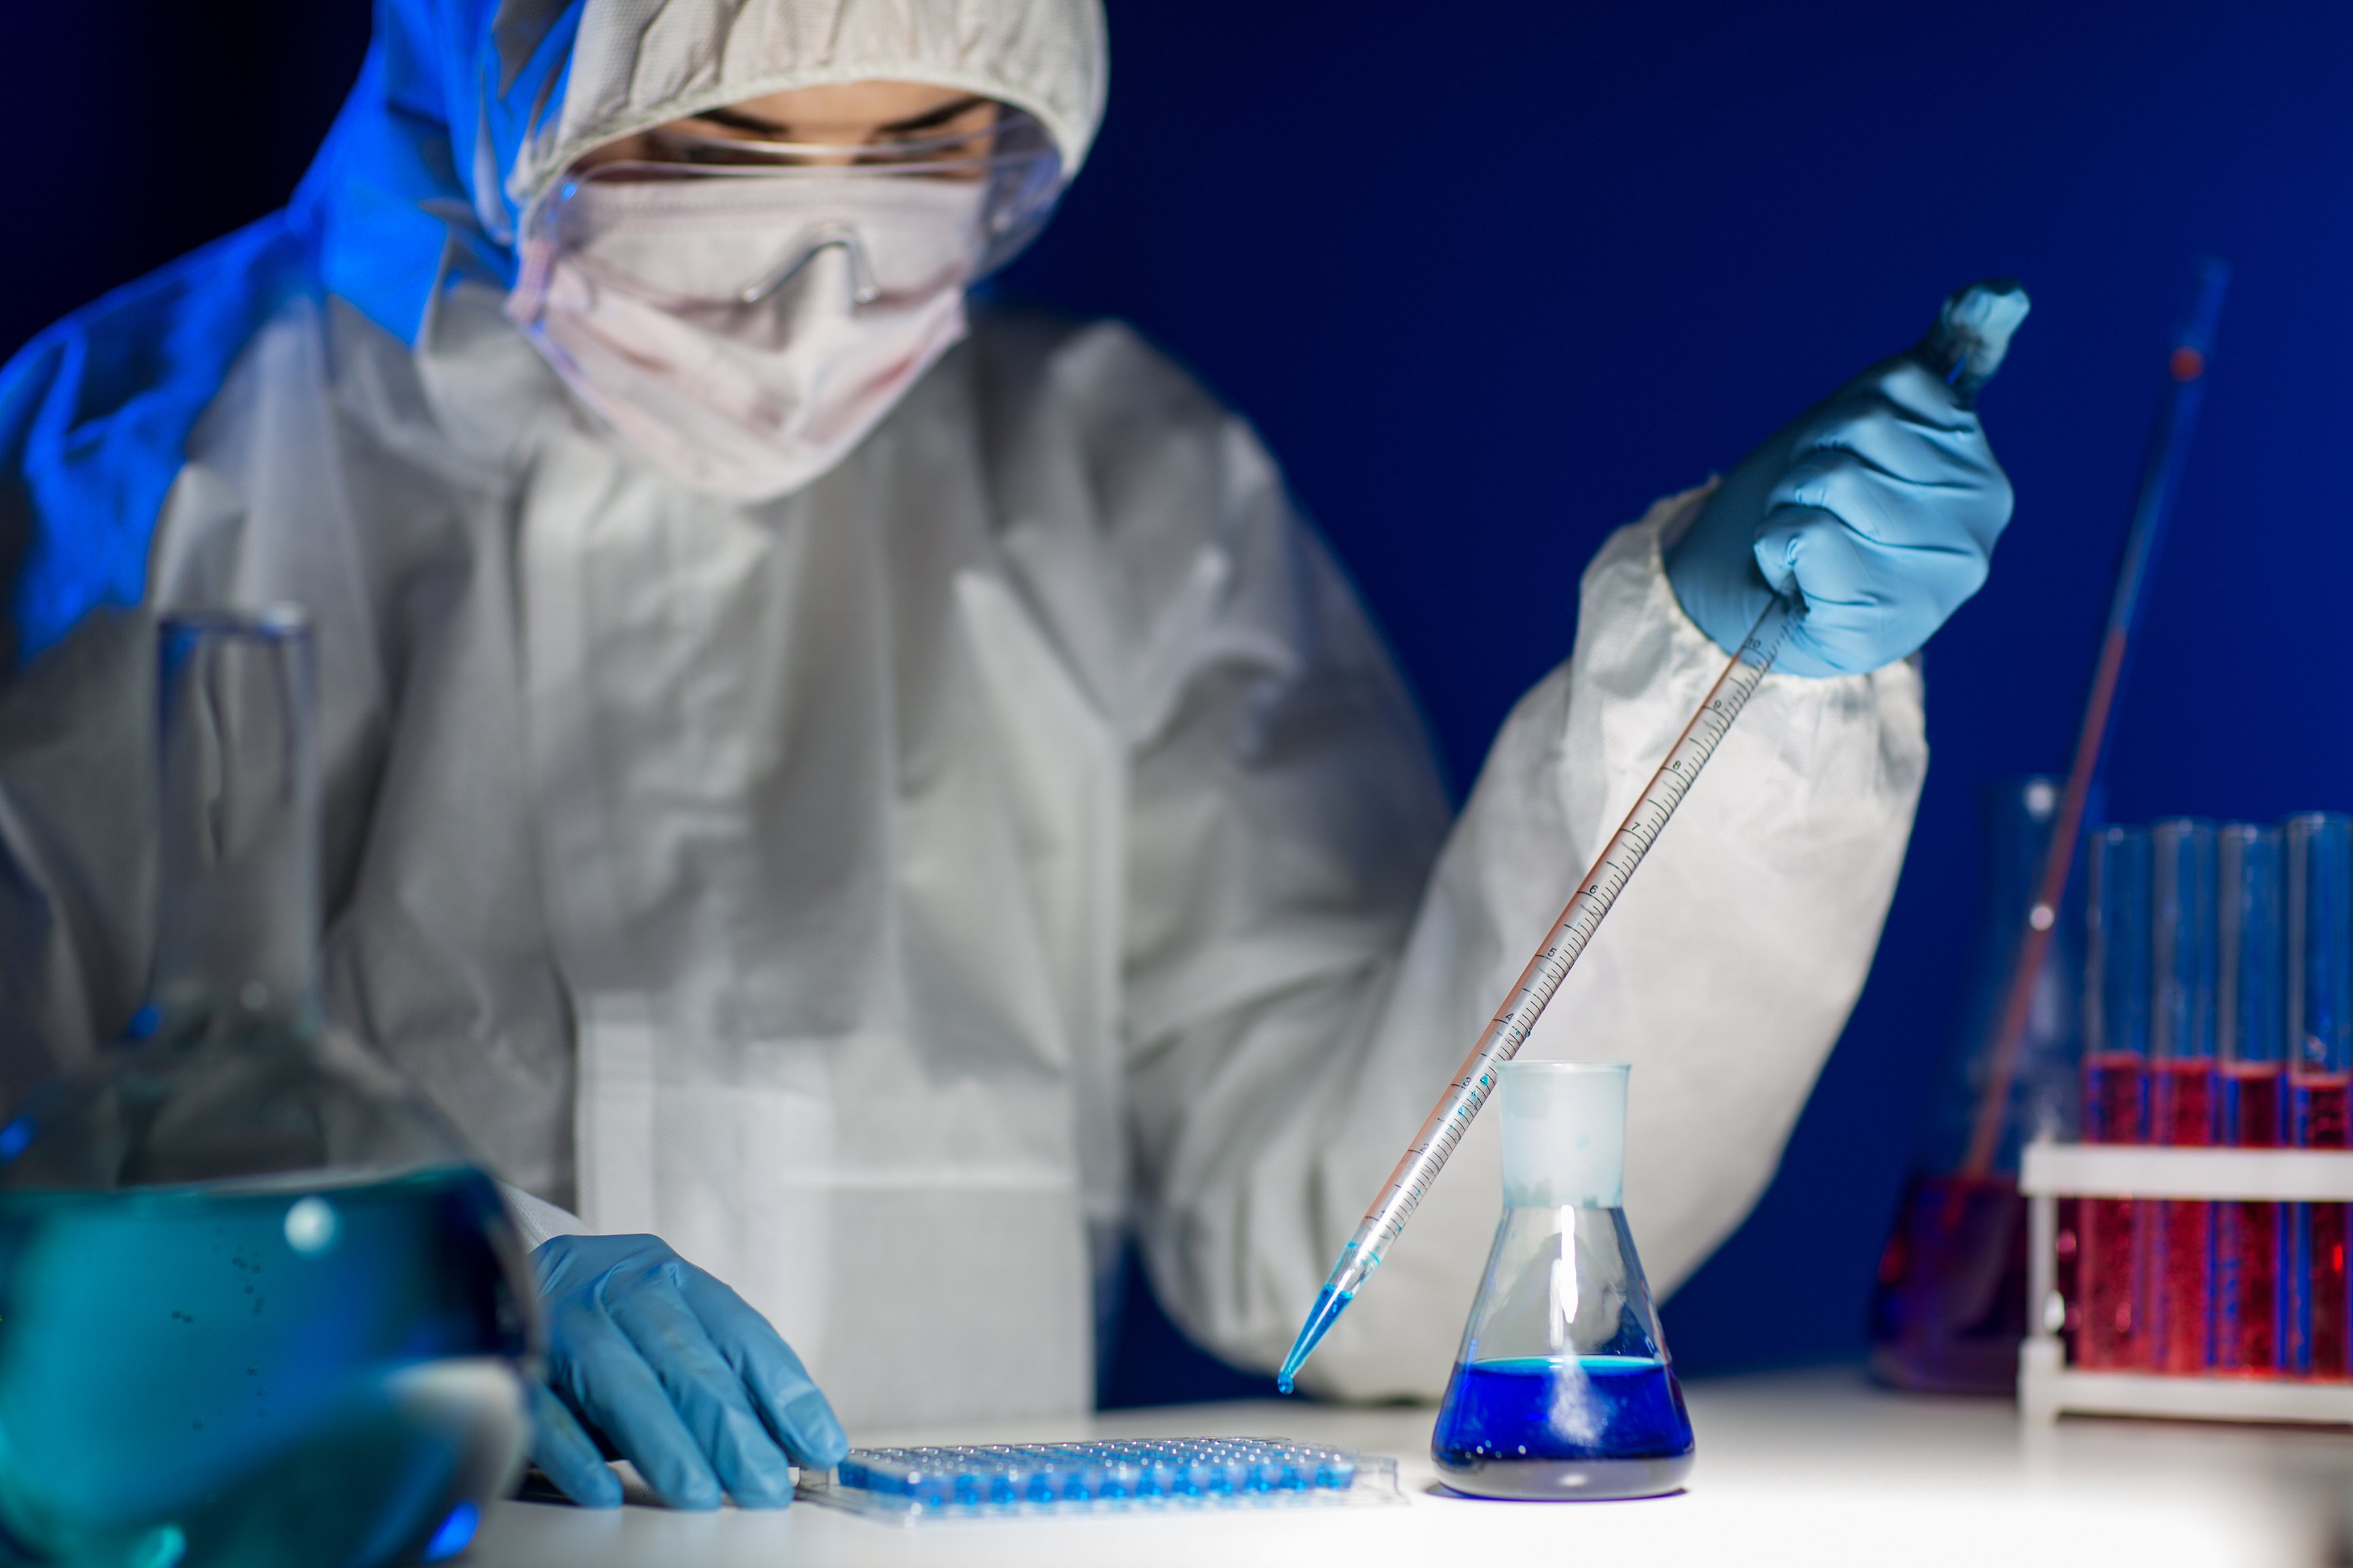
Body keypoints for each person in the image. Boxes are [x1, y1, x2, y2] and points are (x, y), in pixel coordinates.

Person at [0, 0, 2014, 1514]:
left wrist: (1721, 697)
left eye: (918, 159)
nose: (814, 302)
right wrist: (423, 1306)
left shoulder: (1113, 495)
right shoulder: (103, 480)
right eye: (711, 157)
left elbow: (1370, 1261)